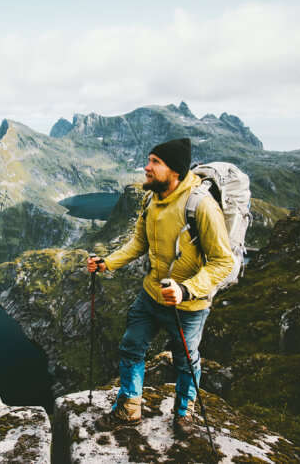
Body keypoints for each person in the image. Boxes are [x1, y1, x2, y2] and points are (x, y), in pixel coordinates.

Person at [87, 137, 234, 436]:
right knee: (131, 347)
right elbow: (139, 242)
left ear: (175, 171)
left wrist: (186, 289)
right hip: (151, 295)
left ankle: (183, 415)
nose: (147, 167)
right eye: (149, 160)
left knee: (185, 361)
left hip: (188, 305)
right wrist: (108, 263)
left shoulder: (201, 206)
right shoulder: (151, 199)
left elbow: (223, 261)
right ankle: (129, 410)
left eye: (155, 162)